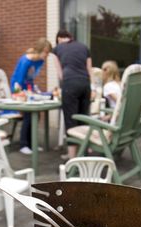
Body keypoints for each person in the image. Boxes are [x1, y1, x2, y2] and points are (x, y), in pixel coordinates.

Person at [52, 29, 93, 160]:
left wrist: (65, 87)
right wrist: (90, 88)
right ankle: (84, 151)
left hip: (70, 84)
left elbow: (60, 74)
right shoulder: (84, 47)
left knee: (70, 120)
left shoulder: (56, 49)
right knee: (83, 117)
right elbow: (89, 70)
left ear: (59, 39)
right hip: (85, 84)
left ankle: (72, 157)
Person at [10, 38, 52, 155]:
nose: (47, 55)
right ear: (40, 50)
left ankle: (31, 144)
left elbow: (30, 79)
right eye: (46, 52)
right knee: (28, 116)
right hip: (18, 90)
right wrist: (20, 93)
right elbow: (18, 80)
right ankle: (23, 144)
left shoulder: (39, 61)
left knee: (35, 116)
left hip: (28, 90)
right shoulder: (25, 61)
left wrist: (33, 90)